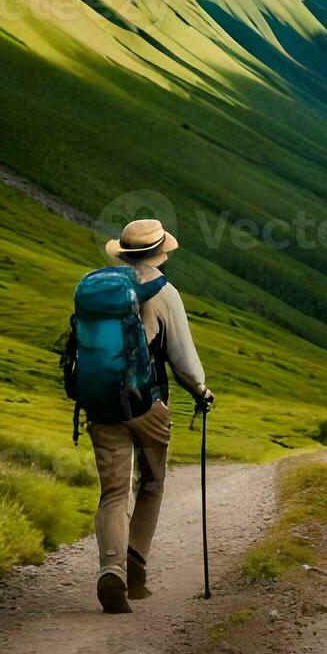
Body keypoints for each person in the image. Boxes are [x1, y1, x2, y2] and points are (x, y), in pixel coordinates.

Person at [90, 218, 213, 614]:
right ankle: (136, 570)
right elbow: (182, 359)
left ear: (124, 252)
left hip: (101, 404)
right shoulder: (164, 293)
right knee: (152, 483)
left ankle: (111, 570)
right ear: (161, 252)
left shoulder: (99, 290)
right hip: (148, 405)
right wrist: (201, 390)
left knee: (113, 492)